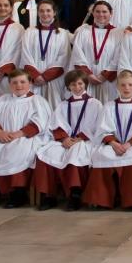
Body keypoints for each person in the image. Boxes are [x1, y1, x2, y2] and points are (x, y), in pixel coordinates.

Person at [0, 69, 52, 208]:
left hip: (25, 136)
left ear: (30, 83)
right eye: (14, 82)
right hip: (3, 135)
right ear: (9, 84)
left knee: (18, 150)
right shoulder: (3, 99)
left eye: (22, 82)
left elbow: (40, 123)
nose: (18, 85)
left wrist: (18, 134)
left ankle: (17, 193)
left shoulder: (37, 101)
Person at [83, 70, 132, 210]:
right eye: (123, 85)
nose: (126, 88)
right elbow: (102, 129)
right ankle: (103, 200)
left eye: (130, 85)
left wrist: (129, 143)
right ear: (117, 87)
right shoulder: (109, 106)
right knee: (102, 156)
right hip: (113, 144)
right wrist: (113, 143)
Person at [32, 69, 102, 211]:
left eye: (80, 83)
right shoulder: (63, 105)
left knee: (76, 154)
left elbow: (97, 125)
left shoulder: (95, 104)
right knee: (47, 153)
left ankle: (75, 195)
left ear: (86, 84)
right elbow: (55, 124)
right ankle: (49, 195)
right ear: (68, 87)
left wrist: (79, 138)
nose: (77, 87)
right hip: (65, 140)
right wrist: (64, 138)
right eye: (73, 85)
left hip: (85, 140)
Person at [20, 0, 71, 109]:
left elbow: (64, 57)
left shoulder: (62, 33)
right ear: (38, 13)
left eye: (48, 10)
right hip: (33, 80)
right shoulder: (29, 32)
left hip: (54, 80)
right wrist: (36, 75)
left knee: (53, 108)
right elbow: (25, 54)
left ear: (54, 13)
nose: (45, 14)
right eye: (41, 11)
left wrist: (45, 76)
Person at [70, 0, 120, 103]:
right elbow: (77, 54)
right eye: (97, 11)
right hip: (87, 79)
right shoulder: (83, 31)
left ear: (111, 13)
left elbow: (119, 57)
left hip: (108, 81)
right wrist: (88, 75)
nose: (101, 14)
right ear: (93, 13)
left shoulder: (118, 33)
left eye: (104, 12)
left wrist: (104, 76)